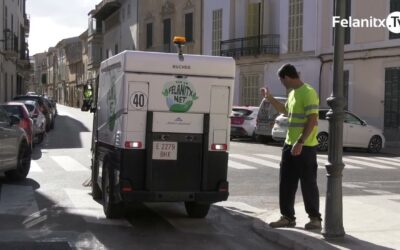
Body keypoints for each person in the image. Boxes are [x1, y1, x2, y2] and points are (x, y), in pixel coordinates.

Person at [265, 64, 322, 230]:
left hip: (305, 146)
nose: (282, 83)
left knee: (308, 183)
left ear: (287, 78)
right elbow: (284, 110)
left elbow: (312, 119)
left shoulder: (309, 92)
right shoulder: (292, 94)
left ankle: (315, 219)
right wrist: (269, 98)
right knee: (286, 182)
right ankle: (287, 217)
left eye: (281, 80)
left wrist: (301, 141)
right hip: (289, 144)